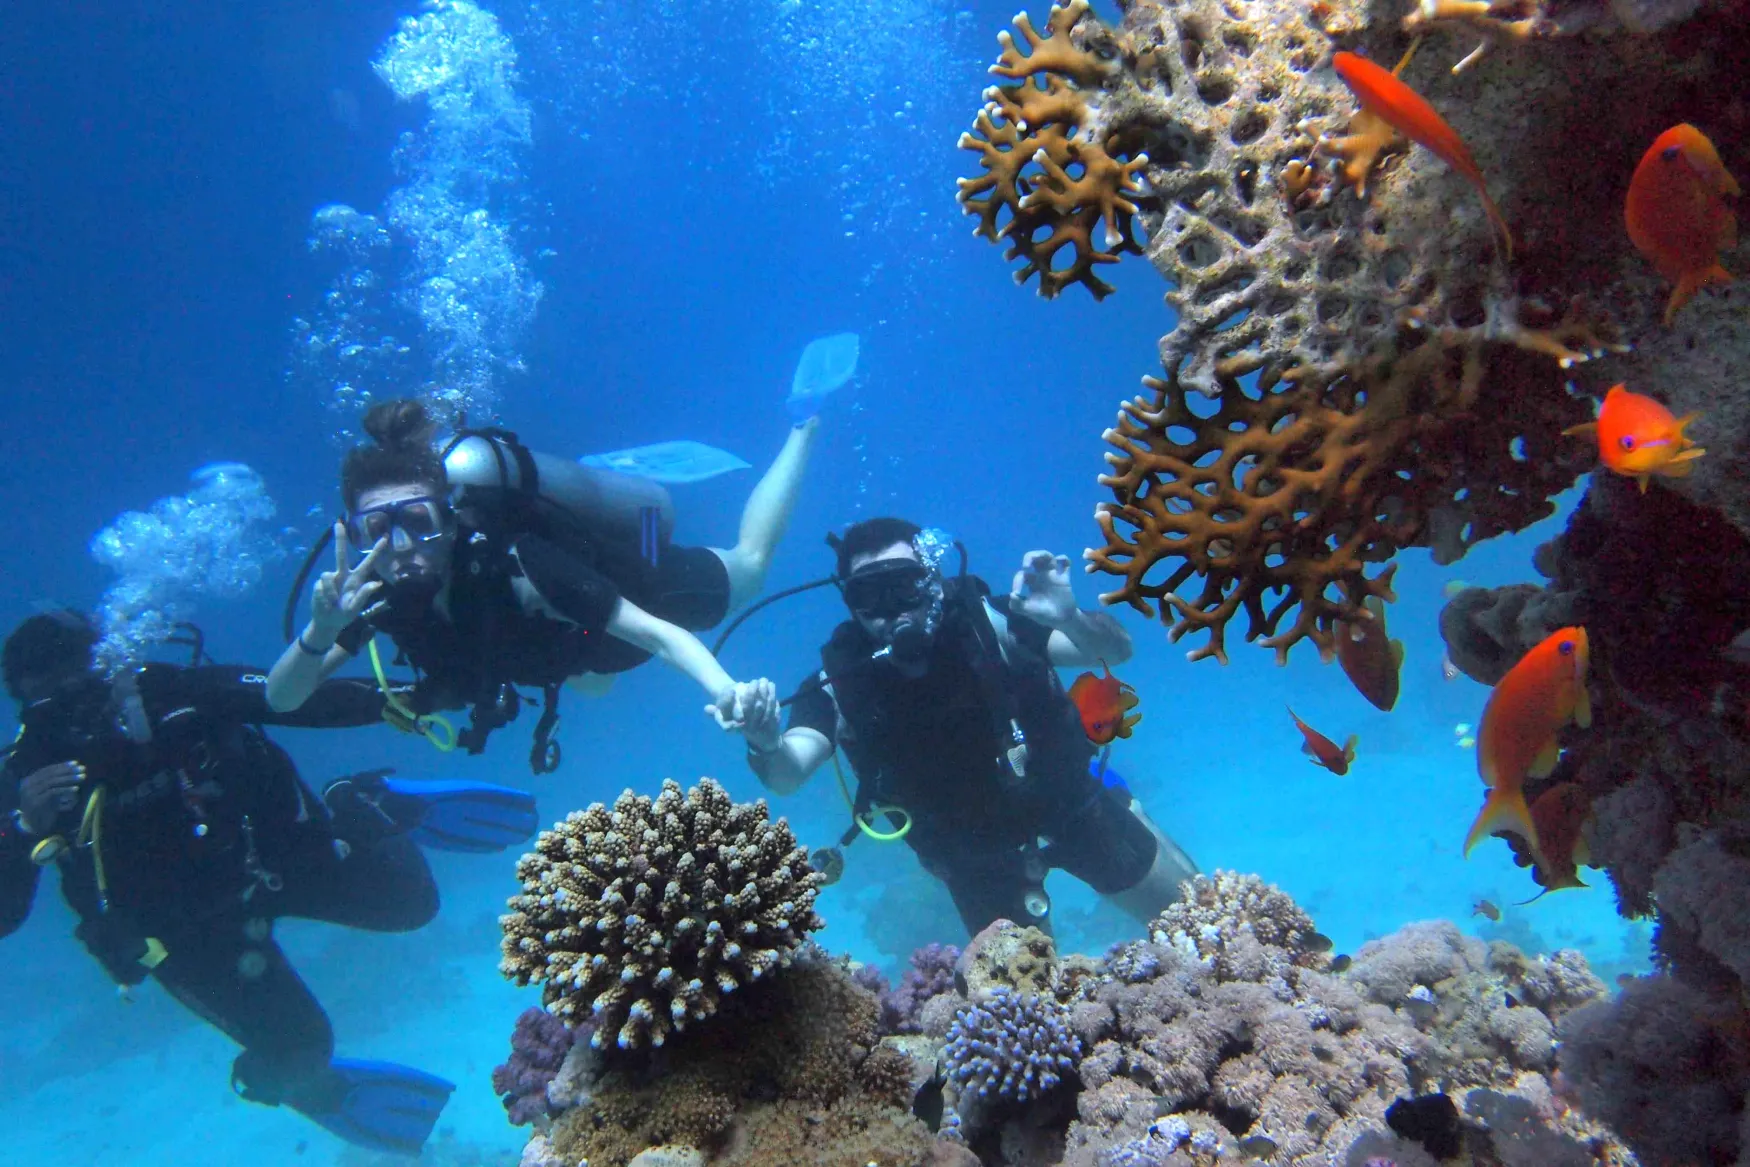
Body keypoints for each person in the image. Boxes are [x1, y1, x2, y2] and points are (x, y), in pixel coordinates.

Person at [0, 611, 535, 1154]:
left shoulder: (172, 694)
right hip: (186, 936)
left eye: (79, 673)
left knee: (412, 903)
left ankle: (358, 799)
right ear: (22, 701)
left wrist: (417, 697)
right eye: (45, 690)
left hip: (274, 863)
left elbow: (295, 697)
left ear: (107, 662)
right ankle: (304, 1083)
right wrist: (22, 829)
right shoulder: (20, 777)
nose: (70, 699)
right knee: (298, 1056)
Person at [265, 399, 816, 766]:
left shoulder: (523, 564)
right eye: (378, 529)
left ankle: (803, 424)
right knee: (593, 681)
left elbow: (657, 635)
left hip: (636, 590)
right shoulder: (365, 600)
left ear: (451, 520)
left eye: (419, 521)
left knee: (751, 565)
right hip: (575, 651)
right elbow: (282, 698)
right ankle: (617, 495)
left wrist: (727, 692)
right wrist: (321, 631)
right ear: (354, 535)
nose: (402, 548)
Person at [731, 518, 1199, 937]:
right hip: (973, 859)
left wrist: (1070, 619)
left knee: (1199, 925)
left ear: (933, 580)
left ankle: (1123, 800)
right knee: (1022, 1013)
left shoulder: (990, 624)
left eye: (905, 584)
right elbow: (788, 774)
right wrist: (765, 741)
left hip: (1073, 807)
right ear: (849, 602)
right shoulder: (838, 683)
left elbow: (1112, 653)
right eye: (868, 594)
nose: (891, 607)